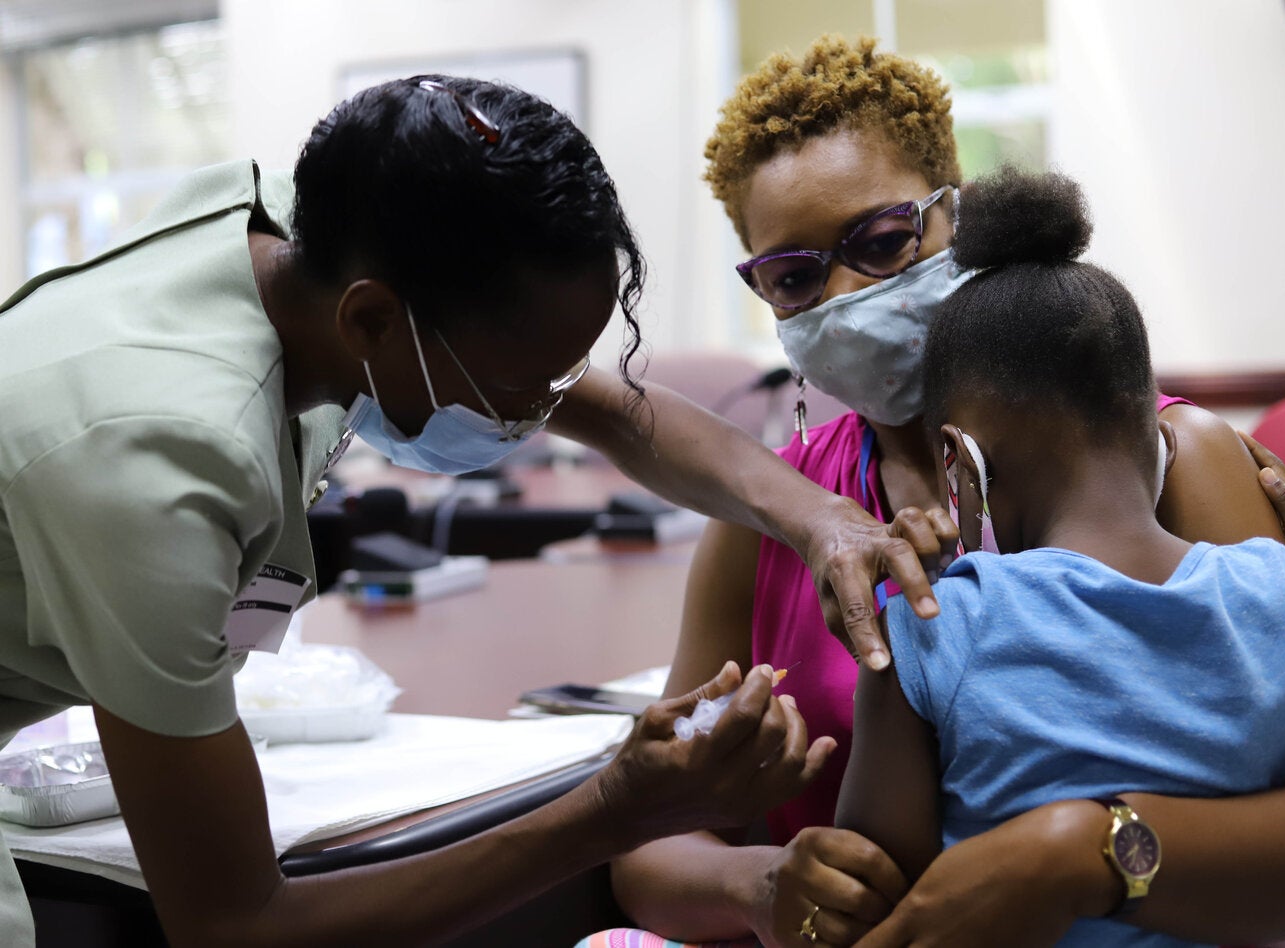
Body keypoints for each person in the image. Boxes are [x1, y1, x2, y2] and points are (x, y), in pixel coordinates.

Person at [0, 72, 967, 947]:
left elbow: (618, 415)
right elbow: (234, 926)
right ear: (370, 322)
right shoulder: (152, 469)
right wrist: (610, 813)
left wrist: (821, 519)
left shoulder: (339, 232)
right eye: (520, 389)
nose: (543, 412)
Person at [604, 35, 1285, 948]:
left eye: (882, 243)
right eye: (795, 277)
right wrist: (760, 883)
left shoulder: (1174, 456)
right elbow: (650, 839)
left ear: (956, 218)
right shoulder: (774, 512)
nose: (844, 296)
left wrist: (1078, 853)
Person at [835, 165, 1285, 948]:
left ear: (958, 465)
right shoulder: (1284, 588)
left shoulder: (930, 627)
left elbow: (874, 893)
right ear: (1158, 429)